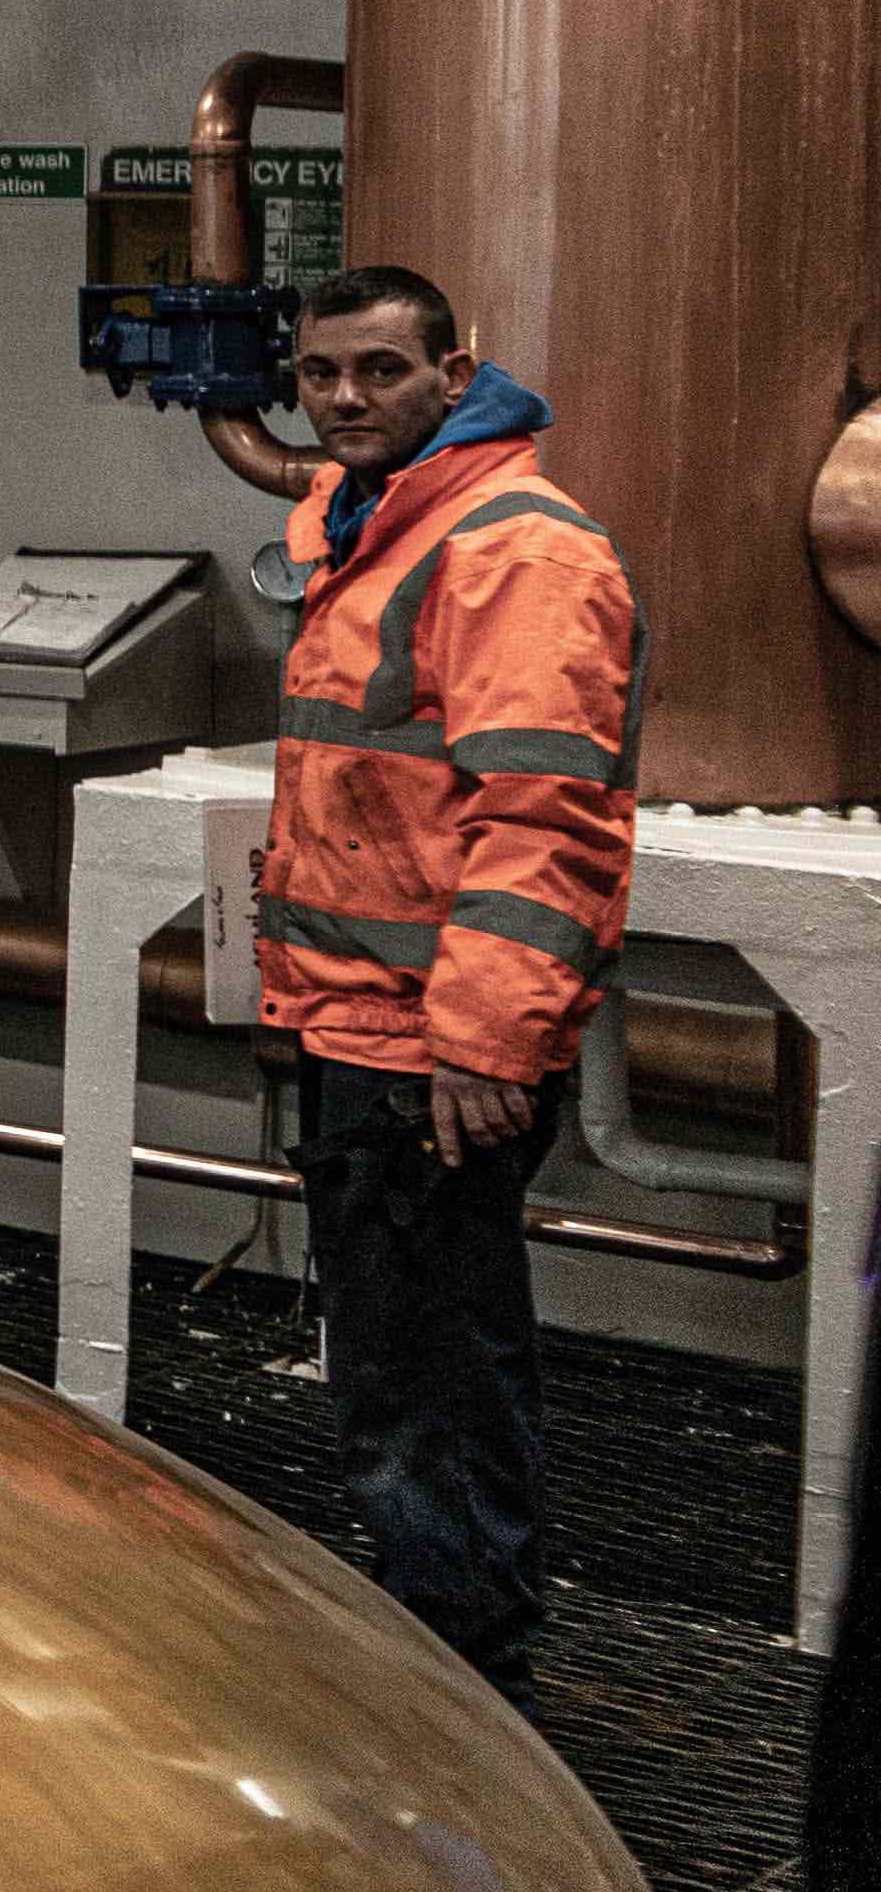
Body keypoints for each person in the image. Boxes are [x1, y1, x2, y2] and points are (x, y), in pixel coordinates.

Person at [258, 260, 644, 1704]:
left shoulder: (512, 550)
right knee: (400, 1358)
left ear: (454, 370)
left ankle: (464, 1683)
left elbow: (542, 817)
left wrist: (482, 1043)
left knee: (431, 1378)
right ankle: (441, 1644)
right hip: (360, 1021)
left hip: (428, 1046)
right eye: (321, 375)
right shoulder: (373, 528)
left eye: (380, 371)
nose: (347, 397)